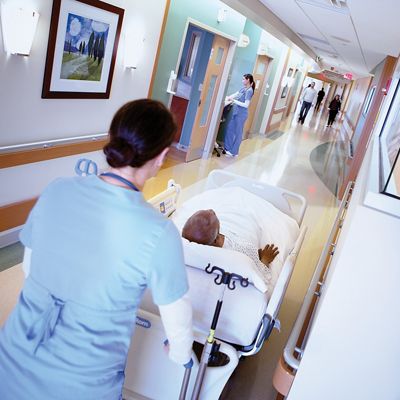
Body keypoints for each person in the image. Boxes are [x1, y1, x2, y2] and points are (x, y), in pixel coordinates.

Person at [0, 99, 193, 399]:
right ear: (162, 156)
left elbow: (30, 267)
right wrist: (180, 353)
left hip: (12, 363)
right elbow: (177, 315)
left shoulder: (57, 190)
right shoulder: (159, 232)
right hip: (81, 386)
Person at [182, 209, 280, 285]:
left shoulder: (213, 236)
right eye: (211, 217)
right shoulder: (233, 257)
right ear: (215, 240)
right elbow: (260, 279)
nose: (211, 210)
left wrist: (256, 253)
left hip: (253, 250)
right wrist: (264, 260)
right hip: (259, 260)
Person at [223, 73, 255, 157]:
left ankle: (234, 152)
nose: (242, 80)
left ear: (248, 80)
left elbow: (246, 105)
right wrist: (227, 97)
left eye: (243, 79)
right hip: (236, 113)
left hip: (241, 115)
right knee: (230, 129)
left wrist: (234, 101)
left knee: (238, 133)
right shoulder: (243, 88)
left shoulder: (249, 91)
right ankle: (228, 148)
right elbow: (236, 94)